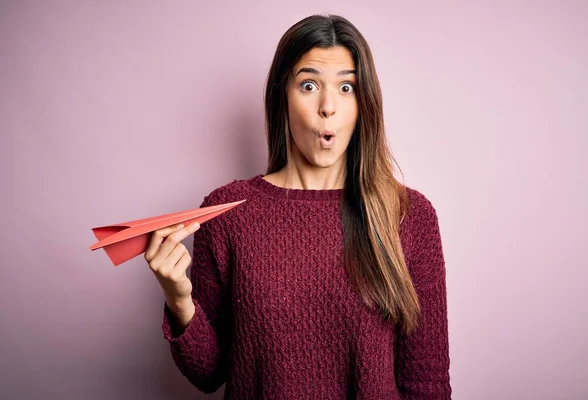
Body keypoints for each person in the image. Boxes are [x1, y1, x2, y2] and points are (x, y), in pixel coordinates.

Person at [144, 14, 451, 399]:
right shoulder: (228, 214)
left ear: (364, 102)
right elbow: (210, 373)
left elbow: (427, 384)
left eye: (346, 87)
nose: (328, 106)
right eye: (309, 85)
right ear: (282, 96)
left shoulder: (409, 216)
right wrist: (179, 298)